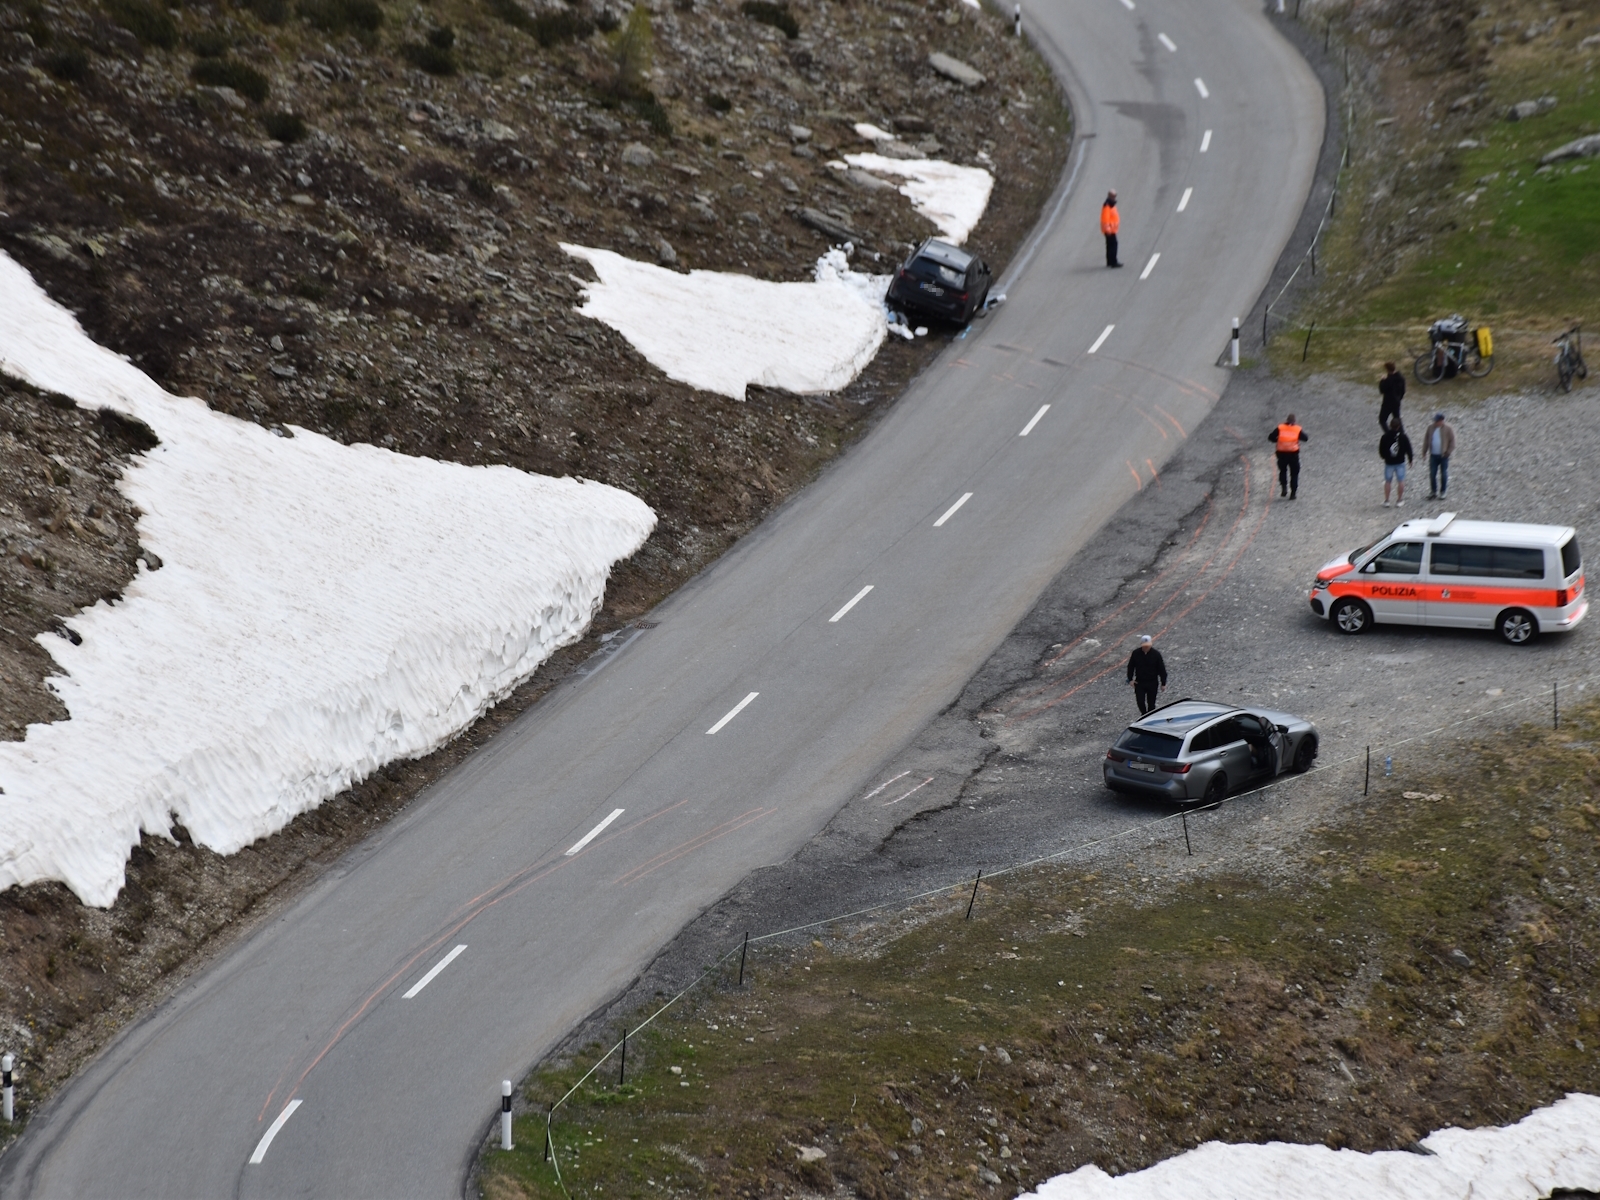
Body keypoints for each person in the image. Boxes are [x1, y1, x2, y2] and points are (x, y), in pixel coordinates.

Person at [1268, 413, 1305, 499]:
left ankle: (1284, 488)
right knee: (1294, 474)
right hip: (1293, 454)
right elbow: (1305, 438)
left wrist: (1278, 440)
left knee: (1283, 471)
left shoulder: (1280, 428)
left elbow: (1271, 437)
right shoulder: (1297, 429)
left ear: (1286, 420)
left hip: (1281, 454)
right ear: (1294, 421)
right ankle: (1293, 493)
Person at [1126, 634, 1167, 714]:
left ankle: (1149, 717)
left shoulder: (1156, 654)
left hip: (1152, 682)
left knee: (1151, 704)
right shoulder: (1136, 653)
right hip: (1140, 682)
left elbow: (1161, 669)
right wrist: (1130, 679)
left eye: (1147, 646)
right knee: (1140, 701)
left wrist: (1163, 683)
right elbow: (1130, 666)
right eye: (1144, 646)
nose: (1146, 647)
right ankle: (1144, 715)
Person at [1379, 415, 1413, 508]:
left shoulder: (1385, 436)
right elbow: (1408, 448)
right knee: (1401, 481)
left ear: (1390, 425)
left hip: (1389, 462)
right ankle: (1399, 500)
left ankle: (1387, 500)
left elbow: (1381, 449)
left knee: (1388, 481)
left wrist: (1384, 457)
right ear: (1399, 426)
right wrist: (1410, 459)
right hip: (1400, 462)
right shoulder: (1403, 436)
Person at [1426, 412, 1456, 499]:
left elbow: (1453, 442)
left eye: (1437, 421)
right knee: (1432, 473)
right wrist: (1424, 451)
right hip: (1433, 455)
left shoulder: (1448, 429)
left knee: (1443, 474)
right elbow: (1426, 439)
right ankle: (1433, 491)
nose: (1435, 422)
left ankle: (1443, 491)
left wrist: (1448, 452)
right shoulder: (1430, 428)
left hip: (1443, 456)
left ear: (1441, 421)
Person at [1378, 362, 1406, 429]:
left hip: (1387, 403)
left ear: (1387, 370)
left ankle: (1389, 434)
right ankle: (1401, 434)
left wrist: (1382, 381)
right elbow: (1403, 391)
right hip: (1397, 402)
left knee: (1382, 420)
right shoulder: (1401, 379)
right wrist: (1399, 398)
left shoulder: (1388, 380)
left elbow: (1382, 390)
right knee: (1397, 419)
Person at [1101, 190, 1122, 268]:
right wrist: (1108, 230)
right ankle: (1113, 262)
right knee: (1113, 245)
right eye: (1113, 196)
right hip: (1110, 230)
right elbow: (1105, 219)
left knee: (1110, 245)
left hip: (1112, 229)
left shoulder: (1111, 204)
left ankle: (1110, 261)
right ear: (1110, 196)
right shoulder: (1108, 206)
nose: (1115, 197)